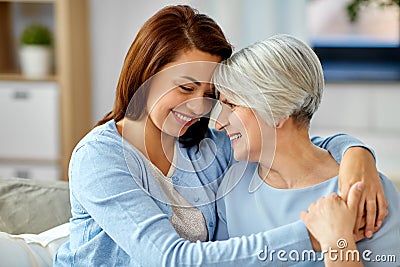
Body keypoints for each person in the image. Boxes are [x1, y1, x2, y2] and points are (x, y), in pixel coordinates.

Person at [52, 6, 387, 266]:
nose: (198, 106)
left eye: (210, 92)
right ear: (146, 74)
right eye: (185, 86)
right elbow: (169, 259)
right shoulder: (99, 158)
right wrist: (314, 236)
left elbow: (288, 134)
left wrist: (357, 154)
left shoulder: (209, 148)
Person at [214, 34, 400, 266]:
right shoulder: (232, 187)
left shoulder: (365, 192)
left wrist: (338, 243)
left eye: (231, 105)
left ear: (276, 111)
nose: (218, 124)